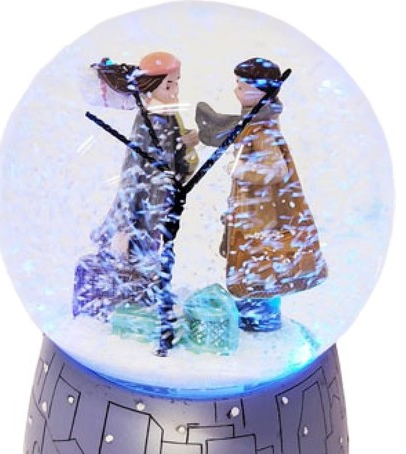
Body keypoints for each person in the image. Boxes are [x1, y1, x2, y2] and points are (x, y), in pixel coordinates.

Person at [196, 57, 327, 331]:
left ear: (261, 92)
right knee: (251, 260)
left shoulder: (262, 129)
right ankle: (252, 313)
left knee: (259, 262)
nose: (236, 91)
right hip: (253, 208)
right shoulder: (253, 121)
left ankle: (260, 320)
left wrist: (239, 169)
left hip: (262, 214)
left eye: (242, 87)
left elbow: (275, 169)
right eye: (237, 85)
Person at [91, 52, 199, 304]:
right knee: (138, 249)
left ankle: (146, 292)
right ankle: (133, 297)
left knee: (152, 244)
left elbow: (173, 156)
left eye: (177, 82)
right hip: (144, 199)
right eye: (169, 85)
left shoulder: (168, 115)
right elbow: (133, 170)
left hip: (161, 197)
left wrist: (186, 143)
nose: (175, 90)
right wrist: (124, 223)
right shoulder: (149, 120)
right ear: (151, 87)